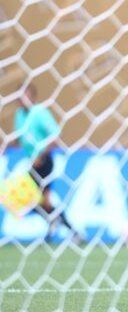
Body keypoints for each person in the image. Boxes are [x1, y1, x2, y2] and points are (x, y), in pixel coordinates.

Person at [13, 85, 83, 243]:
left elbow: (54, 135)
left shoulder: (40, 113)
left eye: (25, 96)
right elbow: (19, 137)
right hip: (33, 163)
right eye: (20, 96)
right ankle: (58, 225)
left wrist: (41, 154)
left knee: (40, 200)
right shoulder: (19, 115)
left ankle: (68, 229)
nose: (22, 99)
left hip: (44, 162)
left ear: (32, 97)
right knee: (34, 201)